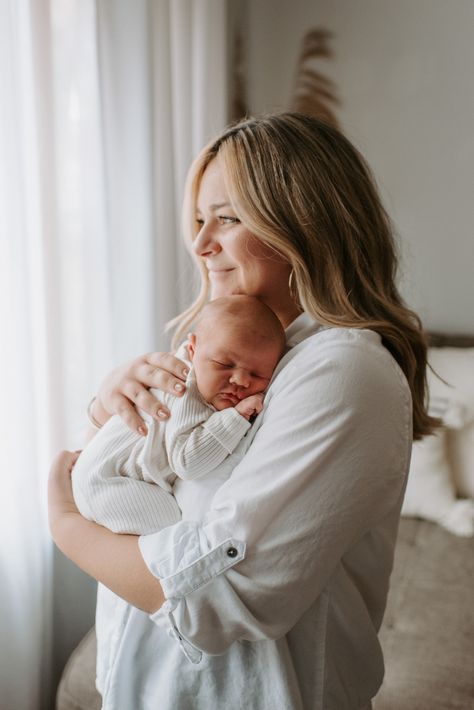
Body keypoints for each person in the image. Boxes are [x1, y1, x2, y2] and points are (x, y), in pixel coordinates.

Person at [48, 112, 438, 710]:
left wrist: (68, 528)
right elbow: (150, 476)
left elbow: (219, 596)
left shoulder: (341, 369)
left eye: (227, 218)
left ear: (306, 222)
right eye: (200, 220)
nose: (200, 243)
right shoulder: (224, 346)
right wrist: (108, 409)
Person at [71, 295, 285, 534]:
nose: (241, 380)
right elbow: (187, 462)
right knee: (182, 533)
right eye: (224, 364)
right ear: (192, 350)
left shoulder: (207, 377)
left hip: (98, 479)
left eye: (258, 375)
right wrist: (237, 418)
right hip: (107, 482)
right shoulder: (184, 389)